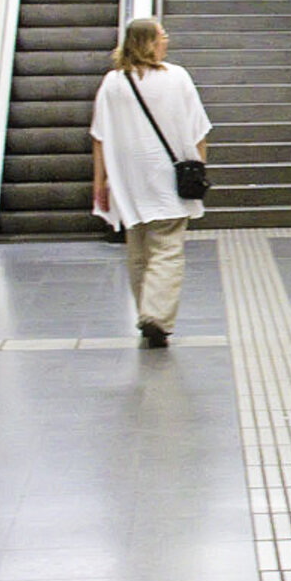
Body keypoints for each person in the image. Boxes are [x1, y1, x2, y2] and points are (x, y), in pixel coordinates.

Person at [91, 18, 213, 345]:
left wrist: (99, 181)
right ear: (148, 42)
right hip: (168, 180)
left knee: (139, 251)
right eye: (162, 36)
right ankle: (155, 315)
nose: (166, 40)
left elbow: (100, 136)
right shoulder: (177, 78)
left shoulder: (113, 83)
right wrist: (199, 167)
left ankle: (146, 310)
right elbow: (199, 129)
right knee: (167, 249)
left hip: (128, 181)